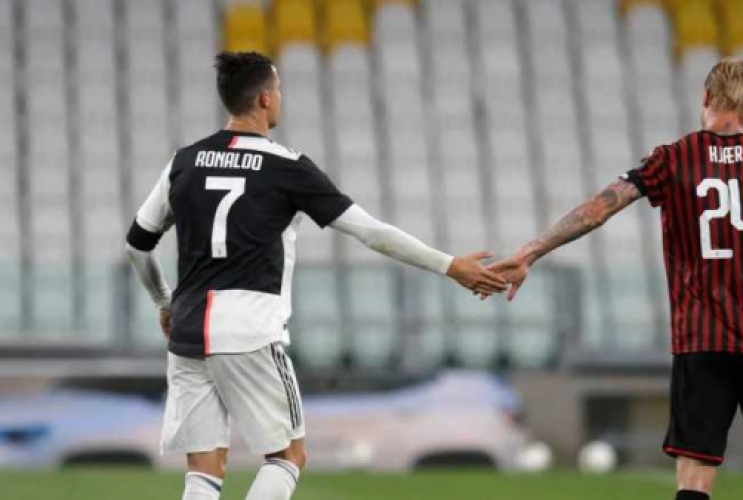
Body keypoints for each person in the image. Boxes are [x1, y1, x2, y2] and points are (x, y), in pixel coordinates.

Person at [125, 51, 507, 500]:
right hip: (249, 328)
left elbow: (137, 244)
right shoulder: (287, 166)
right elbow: (370, 233)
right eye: (279, 89)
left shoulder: (183, 162)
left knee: (204, 469)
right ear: (265, 99)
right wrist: (450, 265)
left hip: (188, 330)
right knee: (288, 456)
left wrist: (163, 302)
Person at [487, 58, 743, 500]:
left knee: (695, 472)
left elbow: (598, 209)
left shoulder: (672, 159)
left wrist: (530, 251)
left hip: (701, 340)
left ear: (706, 96)